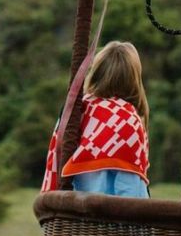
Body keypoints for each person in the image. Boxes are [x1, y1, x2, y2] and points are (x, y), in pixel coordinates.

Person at [42, 40, 149, 197]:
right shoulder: (129, 118)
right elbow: (130, 189)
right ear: (133, 79)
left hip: (69, 207)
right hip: (107, 215)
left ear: (97, 72)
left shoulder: (76, 108)